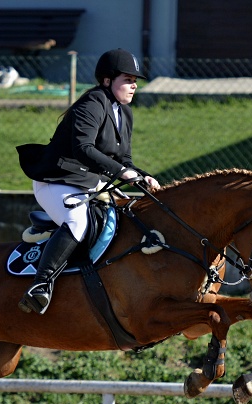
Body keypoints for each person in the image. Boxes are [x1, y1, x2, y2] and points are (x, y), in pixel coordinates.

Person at [16, 48, 160, 315]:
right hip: (58, 180)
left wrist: (142, 174)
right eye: (128, 79)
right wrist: (121, 172)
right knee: (77, 221)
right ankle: (40, 286)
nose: (134, 85)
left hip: (88, 183)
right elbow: (83, 147)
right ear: (107, 80)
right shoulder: (92, 102)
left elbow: (124, 159)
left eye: (135, 80)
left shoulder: (124, 113)